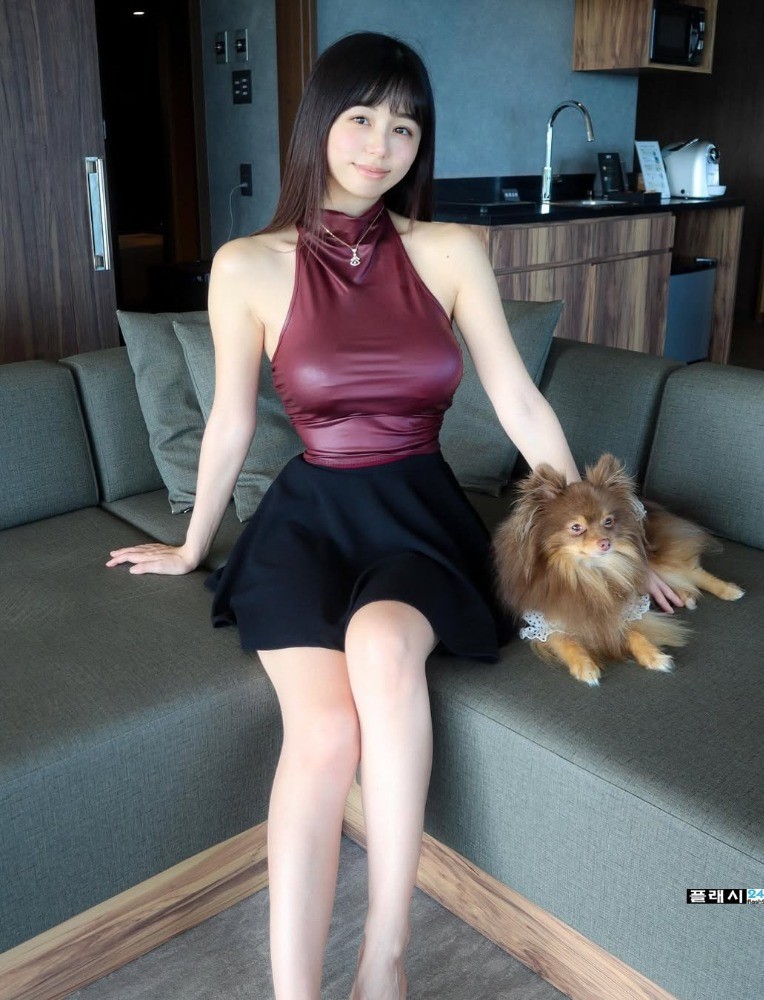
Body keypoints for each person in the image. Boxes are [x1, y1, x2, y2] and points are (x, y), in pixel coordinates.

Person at [108, 31, 682, 1000]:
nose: (382, 145)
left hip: (418, 512)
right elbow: (230, 423)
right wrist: (191, 544)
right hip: (305, 521)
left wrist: (615, 540)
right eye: (362, 117)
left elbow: (517, 399)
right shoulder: (246, 265)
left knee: (382, 645)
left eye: (406, 127)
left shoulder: (450, 249)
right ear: (317, 125)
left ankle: (386, 957)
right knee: (324, 733)